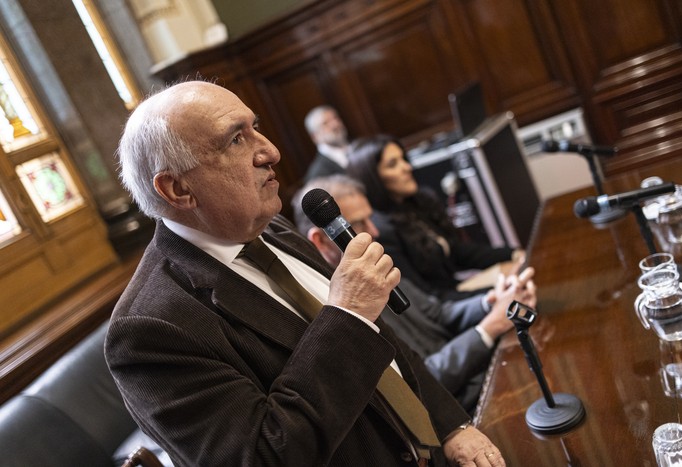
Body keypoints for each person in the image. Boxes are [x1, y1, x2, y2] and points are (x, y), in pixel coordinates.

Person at [106, 80, 507, 467]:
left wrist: (450, 424)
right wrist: (347, 315)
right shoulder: (149, 330)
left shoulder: (273, 227)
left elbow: (383, 340)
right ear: (177, 190)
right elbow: (262, 455)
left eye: (255, 128)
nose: (271, 152)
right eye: (236, 140)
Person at [292, 174, 537, 413]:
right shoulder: (336, 312)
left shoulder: (372, 265)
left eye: (371, 219)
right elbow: (419, 381)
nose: (374, 232)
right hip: (454, 409)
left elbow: (438, 312)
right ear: (321, 241)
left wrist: (491, 301)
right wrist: (490, 326)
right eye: (357, 224)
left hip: (476, 377)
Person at [346, 134, 525, 301]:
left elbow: (459, 252)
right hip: (446, 305)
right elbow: (428, 298)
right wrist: (492, 293)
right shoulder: (381, 232)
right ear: (374, 179)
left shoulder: (419, 202)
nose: (407, 167)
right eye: (393, 164)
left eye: (403, 159)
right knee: (519, 285)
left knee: (522, 270)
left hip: (457, 291)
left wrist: (513, 253)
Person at [303, 105, 351, 181]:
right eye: (325, 123)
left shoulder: (363, 147)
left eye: (336, 118)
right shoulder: (318, 175)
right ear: (315, 136)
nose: (335, 125)